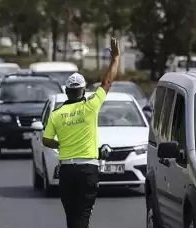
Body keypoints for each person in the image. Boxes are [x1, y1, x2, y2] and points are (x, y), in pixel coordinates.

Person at [42, 37, 120, 228]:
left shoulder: (57, 114)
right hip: (88, 170)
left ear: (67, 91)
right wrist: (115, 58)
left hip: (67, 171)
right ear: (83, 91)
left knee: (71, 216)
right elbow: (107, 81)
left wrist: (60, 144)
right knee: (83, 216)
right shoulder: (91, 106)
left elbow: (46, 140)